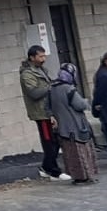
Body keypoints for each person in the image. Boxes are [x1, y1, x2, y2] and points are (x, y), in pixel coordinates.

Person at [19, 45, 71, 182]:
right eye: (40, 56)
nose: (44, 59)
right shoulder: (27, 74)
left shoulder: (41, 70)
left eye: (44, 56)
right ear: (32, 57)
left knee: (55, 140)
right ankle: (53, 171)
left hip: (50, 111)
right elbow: (34, 93)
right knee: (49, 142)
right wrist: (50, 87)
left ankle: (47, 167)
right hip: (41, 113)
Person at [48, 63, 99, 184]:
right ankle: (85, 176)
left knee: (70, 154)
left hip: (62, 128)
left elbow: (48, 106)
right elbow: (79, 105)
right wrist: (86, 102)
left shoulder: (52, 88)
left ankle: (76, 177)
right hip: (75, 126)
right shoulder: (69, 88)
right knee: (81, 152)